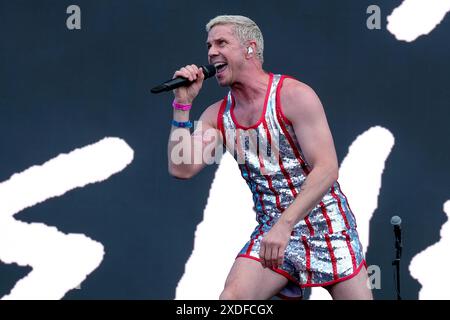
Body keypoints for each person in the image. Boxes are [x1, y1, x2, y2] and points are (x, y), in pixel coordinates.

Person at [167, 15, 373, 300]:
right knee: (232, 300)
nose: (211, 52)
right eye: (209, 45)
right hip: (274, 233)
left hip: (328, 229)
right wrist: (182, 104)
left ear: (250, 49)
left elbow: (326, 169)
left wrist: (284, 224)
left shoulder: (294, 95)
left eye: (222, 42)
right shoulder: (217, 116)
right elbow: (182, 168)